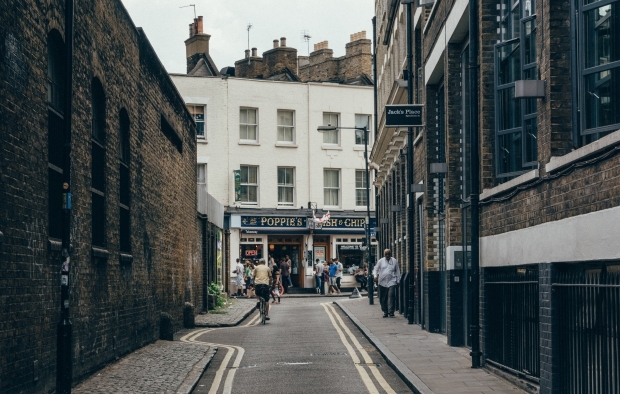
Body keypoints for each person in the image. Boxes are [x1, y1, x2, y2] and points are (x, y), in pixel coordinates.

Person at [373, 249, 401, 317]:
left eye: (389, 254)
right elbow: (375, 269)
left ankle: (391, 312)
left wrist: (398, 280)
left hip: (392, 281)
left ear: (391, 254)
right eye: (386, 254)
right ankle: (385, 311)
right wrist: (375, 276)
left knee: (391, 296)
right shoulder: (381, 261)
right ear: (384, 254)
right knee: (383, 298)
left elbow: (397, 271)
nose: (387, 255)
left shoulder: (394, 261)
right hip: (382, 282)